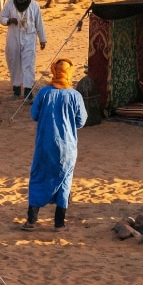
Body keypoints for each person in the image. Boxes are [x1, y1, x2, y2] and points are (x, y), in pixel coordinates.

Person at [24, 57, 88, 231]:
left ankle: (31, 221)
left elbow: (34, 115)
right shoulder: (75, 96)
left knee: (38, 177)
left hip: (44, 146)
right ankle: (59, 223)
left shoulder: (44, 93)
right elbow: (81, 121)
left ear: (54, 71)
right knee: (65, 181)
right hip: (68, 148)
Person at [0, 0, 47, 97]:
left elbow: (39, 23)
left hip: (29, 38)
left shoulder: (34, 5)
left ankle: (28, 91)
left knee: (28, 63)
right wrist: (9, 20)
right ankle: (16, 89)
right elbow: (1, 18)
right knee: (14, 62)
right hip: (13, 38)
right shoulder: (10, 4)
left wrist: (42, 39)